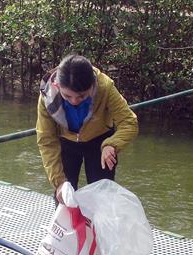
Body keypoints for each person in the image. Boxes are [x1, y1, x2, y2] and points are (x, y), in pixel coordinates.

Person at [36, 54, 138, 203]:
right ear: (58, 86)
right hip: (66, 143)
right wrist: (58, 183)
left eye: (81, 96)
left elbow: (129, 122)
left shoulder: (105, 87)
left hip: (100, 143)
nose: (74, 101)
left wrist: (112, 144)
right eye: (67, 96)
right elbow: (46, 140)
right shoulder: (47, 95)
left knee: (102, 198)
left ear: (92, 85)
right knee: (64, 197)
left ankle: (99, 226)